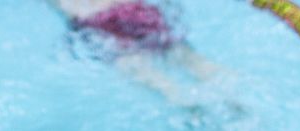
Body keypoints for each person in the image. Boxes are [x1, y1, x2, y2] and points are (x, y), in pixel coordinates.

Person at [46, 0, 228, 110]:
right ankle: (235, 93)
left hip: (97, 23)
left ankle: (184, 103)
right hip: (137, 11)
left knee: (148, 75)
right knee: (194, 62)